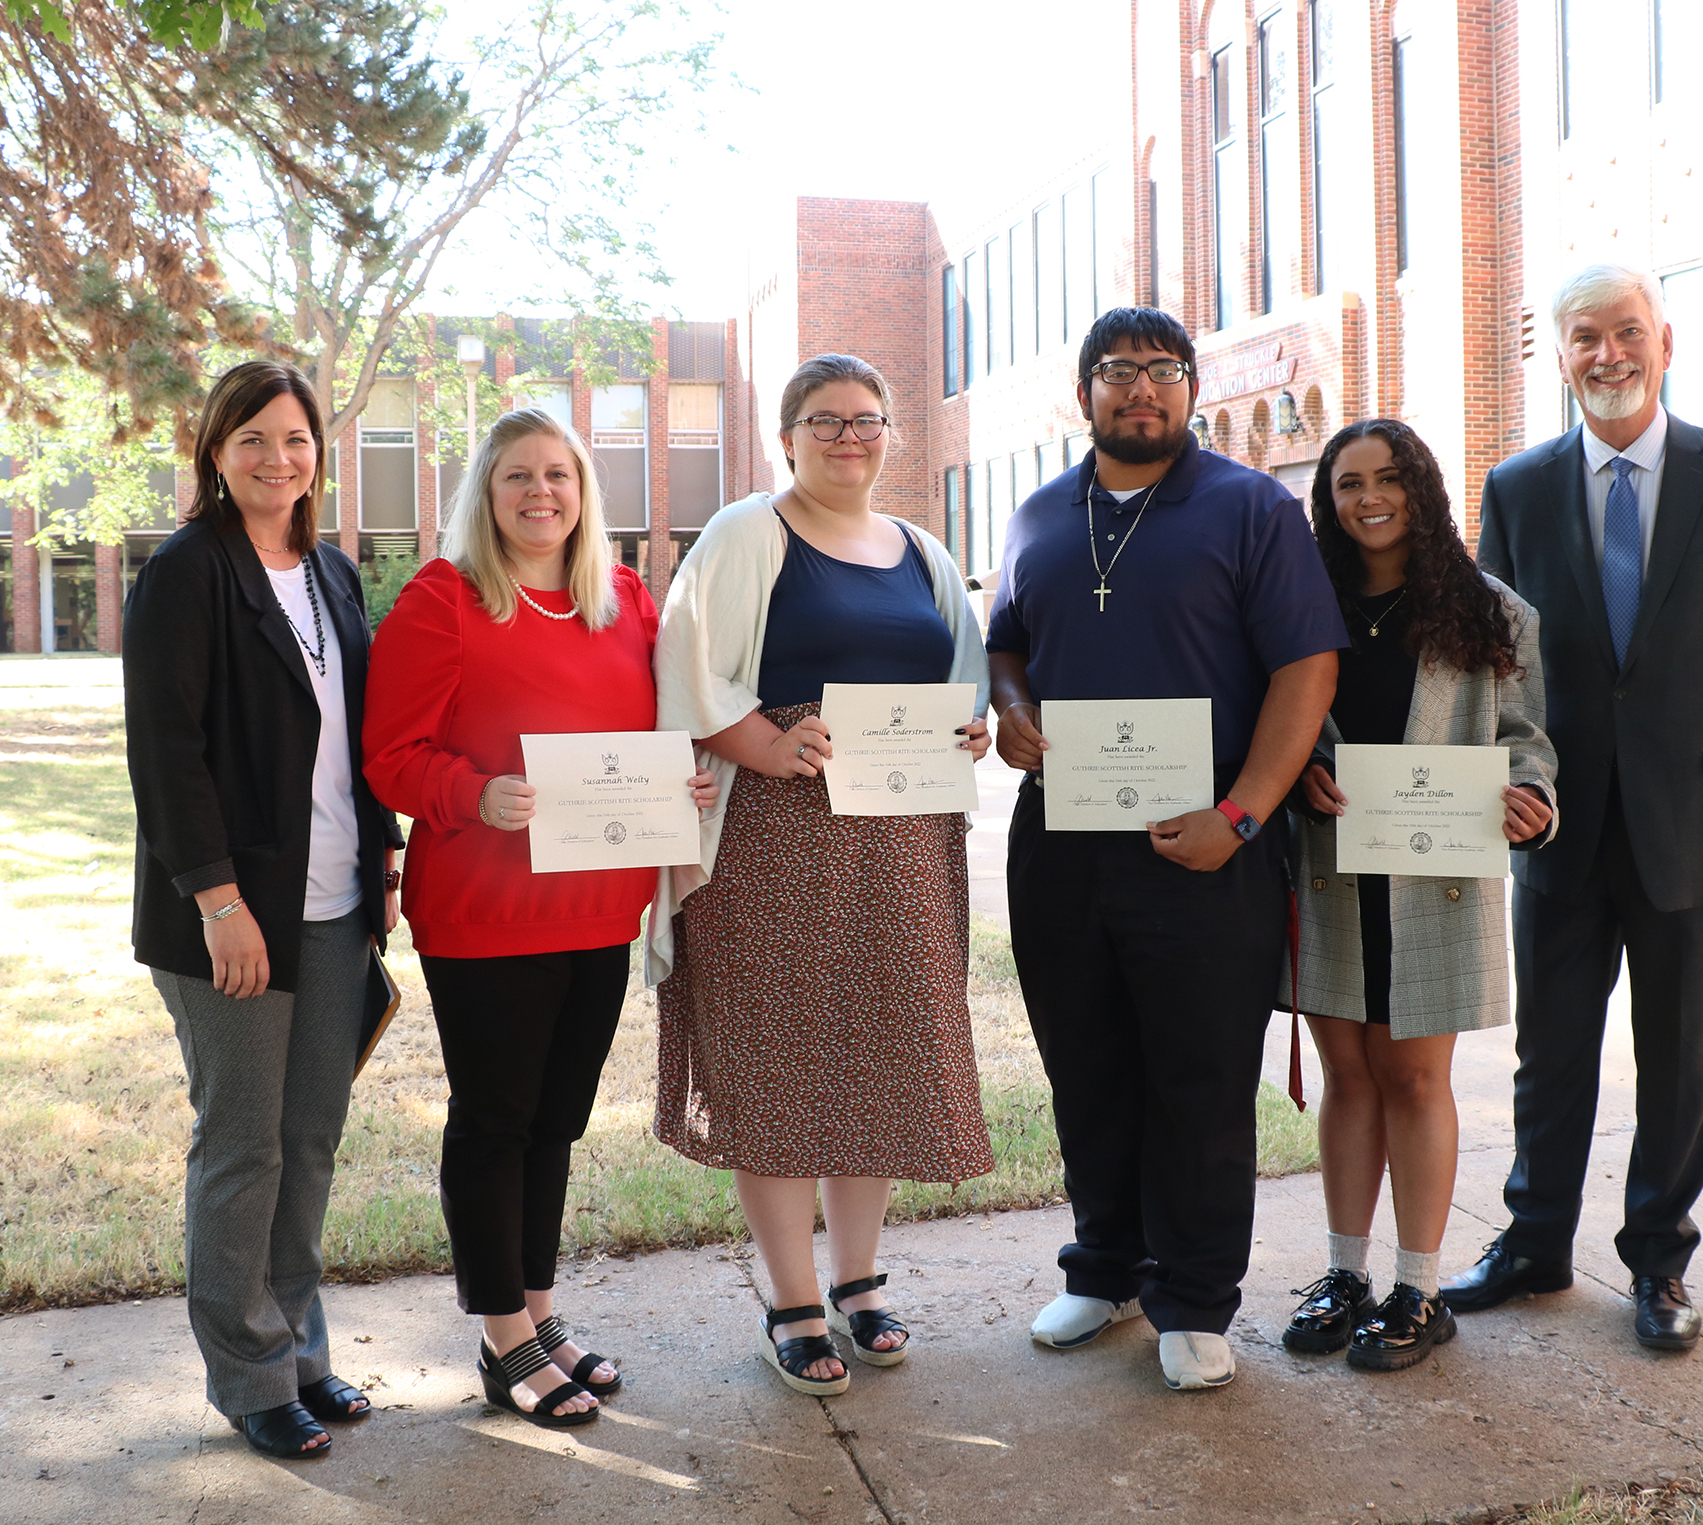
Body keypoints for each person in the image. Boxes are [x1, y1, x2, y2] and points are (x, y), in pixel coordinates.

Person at [1445, 263, 1703, 1349]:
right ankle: (1532, 1246)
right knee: (1551, 1052)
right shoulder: (1515, 489)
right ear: (1558, 355)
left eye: (1626, 332)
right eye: (1584, 338)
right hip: (1557, 830)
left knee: (1679, 1059)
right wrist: (1512, 779)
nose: (1607, 355)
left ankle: (1659, 1265)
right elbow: (1488, 664)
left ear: (1665, 341)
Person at [988, 307, 1348, 1392]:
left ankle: (1193, 1296)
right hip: (1061, 844)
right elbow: (1008, 645)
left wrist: (1240, 815)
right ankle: (1104, 1266)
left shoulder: (1251, 508)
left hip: (1204, 845)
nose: (1138, 388)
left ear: (1191, 390)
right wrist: (1009, 708)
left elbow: (1306, 670)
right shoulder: (1040, 515)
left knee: (1197, 1077)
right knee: (1086, 1064)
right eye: (1116, 370)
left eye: (1161, 370)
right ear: (1083, 392)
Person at [362, 408, 715, 1429]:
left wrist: (680, 778)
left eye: (558, 475)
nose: (540, 493)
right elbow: (390, 753)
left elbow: (659, 727)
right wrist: (475, 794)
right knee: (497, 1120)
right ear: (487, 489)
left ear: (582, 491)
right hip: (486, 906)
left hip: (598, 903)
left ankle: (540, 1312)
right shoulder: (446, 599)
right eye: (518, 475)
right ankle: (501, 1336)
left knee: (556, 1120)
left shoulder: (625, 598)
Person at [650, 354, 994, 1398]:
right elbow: (687, 652)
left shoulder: (922, 549)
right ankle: (791, 1296)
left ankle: (859, 1279)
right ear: (786, 436)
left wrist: (968, 724)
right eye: (825, 419)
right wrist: (755, 740)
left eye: (868, 419)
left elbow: (962, 666)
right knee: (781, 1054)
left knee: (882, 1047)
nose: (851, 436)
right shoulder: (748, 532)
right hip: (775, 841)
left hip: (900, 841)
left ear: (892, 434)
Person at [124, 360, 402, 1460]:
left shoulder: (332, 573)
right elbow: (166, 751)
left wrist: (381, 854)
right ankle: (248, 1376)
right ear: (215, 450)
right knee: (243, 1147)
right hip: (234, 914)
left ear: (317, 452)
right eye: (252, 440)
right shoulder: (188, 572)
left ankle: (298, 1350)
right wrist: (218, 899)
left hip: (334, 901)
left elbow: (358, 740)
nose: (275, 460)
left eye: (294, 440)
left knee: (310, 1141)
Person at [1280, 419, 1557, 1372]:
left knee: (1413, 1078)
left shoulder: (1491, 612)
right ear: (1328, 496)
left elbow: (1527, 741)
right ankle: (1344, 1275)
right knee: (1348, 1076)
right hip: (1329, 861)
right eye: (1349, 481)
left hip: (1434, 876)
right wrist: (1302, 767)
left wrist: (1531, 800)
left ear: (1422, 489)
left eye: (1389, 478)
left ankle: (1420, 1288)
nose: (1369, 497)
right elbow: (1279, 713)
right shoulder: (1301, 601)